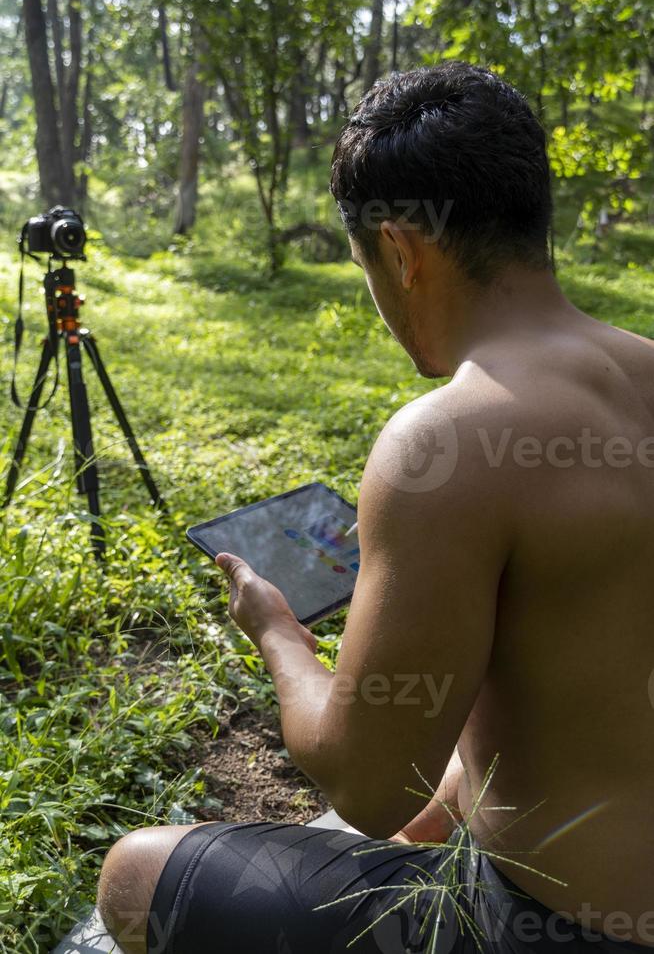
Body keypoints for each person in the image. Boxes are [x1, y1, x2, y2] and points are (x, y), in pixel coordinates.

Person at [97, 61, 654, 953]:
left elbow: (368, 792)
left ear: (400, 250)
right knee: (442, 802)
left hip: (553, 928)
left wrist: (276, 630)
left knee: (134, 876)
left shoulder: (446, 440)